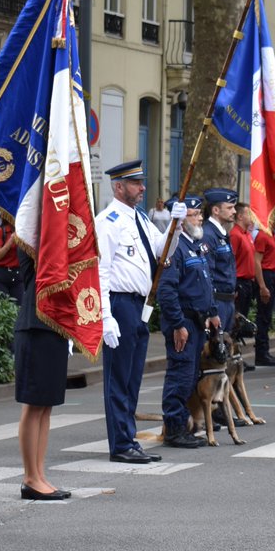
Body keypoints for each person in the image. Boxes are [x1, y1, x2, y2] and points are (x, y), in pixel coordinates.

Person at [95, 160, 182, 464]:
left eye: (142, 182)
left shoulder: (142, 219)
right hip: (120, 304)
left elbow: (162, 251)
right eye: (135, 183)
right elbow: (100, 272)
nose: (142, 188)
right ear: (119, 187)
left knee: (132, 378)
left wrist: (175, 225)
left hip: (139, 305)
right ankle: (120, 443)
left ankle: (128, 438)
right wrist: (105, 316)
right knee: (118, 378)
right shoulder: (108, 221)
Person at [157, 195, 219, 448]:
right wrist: (178, 324)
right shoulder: (176, 247)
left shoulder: (195, 245)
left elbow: (204, 283)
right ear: (181, 219)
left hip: (197, 322)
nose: (200, 217)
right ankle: (174, 428)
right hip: (183, 322)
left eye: (199, 213)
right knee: (180, 375)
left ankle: (182, 424)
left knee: (190, 374)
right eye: (194, 214)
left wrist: (212, 311)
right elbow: (167, 291)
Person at [13, 247, 72, 499]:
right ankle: (30, 477)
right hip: (36, 323)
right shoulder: (31, 236)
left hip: (55, 325)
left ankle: (39, 473)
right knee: (34, 404)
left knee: (46, 405)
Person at [202, 188, 240, 334]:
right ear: (216, 210)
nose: (234, 211)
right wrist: (211, 309)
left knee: (224, 347)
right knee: (215, 349)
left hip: (227, 300)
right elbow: (207, 274)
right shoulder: (208, 234)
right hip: (217, 301)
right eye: (229, 208)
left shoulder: (221, 233)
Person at [252, 205, 275, 367]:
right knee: (263, 316)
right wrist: (262, 286)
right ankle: (261, 353)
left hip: (271, 274)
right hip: (265, 275)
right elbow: (257, 261)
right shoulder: (263, 236)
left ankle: (264, 351)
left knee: (267, 316)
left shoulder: (271, 234)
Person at [231, 201, 257, 327]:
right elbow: (231, 261)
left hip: (248, 282)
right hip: (239, 283)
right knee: (237, 320)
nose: (251, 217)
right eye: (248, 214)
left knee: (243, 319)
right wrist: (234, 285)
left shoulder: (247, 234)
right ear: (240, 216)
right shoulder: (235, 235)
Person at [0, 220, 23, 304]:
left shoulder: (23, 231)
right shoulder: (0, 231)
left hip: (18, 274)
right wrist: (10, 241)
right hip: (1, 273)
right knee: (2, 305)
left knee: (19, 306)